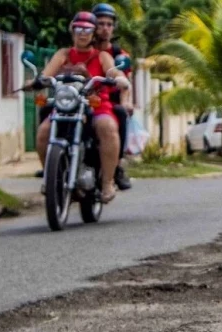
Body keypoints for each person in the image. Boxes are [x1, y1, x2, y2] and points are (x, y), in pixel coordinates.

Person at [35, 11, 130, 203]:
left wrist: (119, 78)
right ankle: (50, 177)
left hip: (96, 104)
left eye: (87, 29)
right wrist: (37, 81)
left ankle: (107, 182)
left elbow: (112, 70)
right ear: (72, 30)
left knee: (108, 128)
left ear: (93, 33)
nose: (82, 33)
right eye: (78, 28)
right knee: (44, 132)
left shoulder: (102, 56)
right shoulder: (63, 54)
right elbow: (46, 74)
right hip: (66, 104)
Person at [92, 3, 133, 191]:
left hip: (111, 100)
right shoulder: (84, 48)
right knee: (47, 110)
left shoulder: (119, 54)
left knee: (121, 113)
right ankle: (53, 162)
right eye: (100, 24)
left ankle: (117, 165)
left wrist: (125, 102)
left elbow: (126, 83)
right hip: (85, 98)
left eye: (109, 24)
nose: (105, 28)